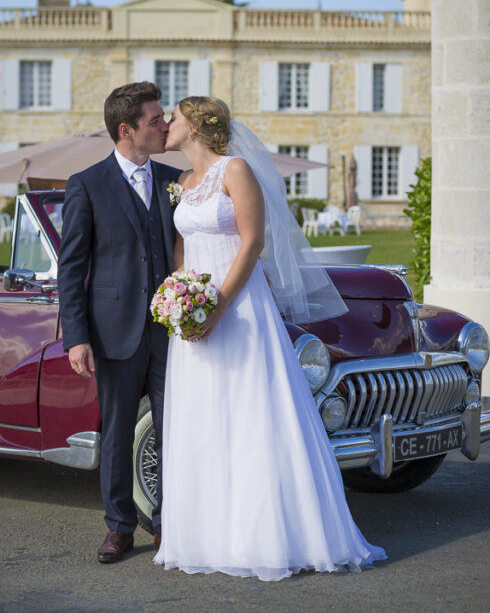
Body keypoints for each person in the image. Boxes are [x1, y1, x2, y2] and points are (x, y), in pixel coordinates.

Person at [154, 96, 387, 581]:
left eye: (172, 118)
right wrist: (181, 300)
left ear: (196, 125)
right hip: (195, 312)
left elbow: (252, 242)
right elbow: (181, 249)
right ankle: (209, 536)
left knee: (251, 412)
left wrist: (216, 305)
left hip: (239, 309)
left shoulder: (235, 170)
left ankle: (270, 537)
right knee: (203, 416)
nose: (165, 125)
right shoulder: (181, 183)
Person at [57, 82, 181, 564]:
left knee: (176, 428)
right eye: (156, 120)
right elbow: (72, 267)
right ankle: (119, 526)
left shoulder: (175, 179)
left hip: (172, 331)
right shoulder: (86, 183)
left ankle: (171, 524)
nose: (165, 125)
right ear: (126, 130)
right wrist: (77, 337)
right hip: (112, 331)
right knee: (117, 431)